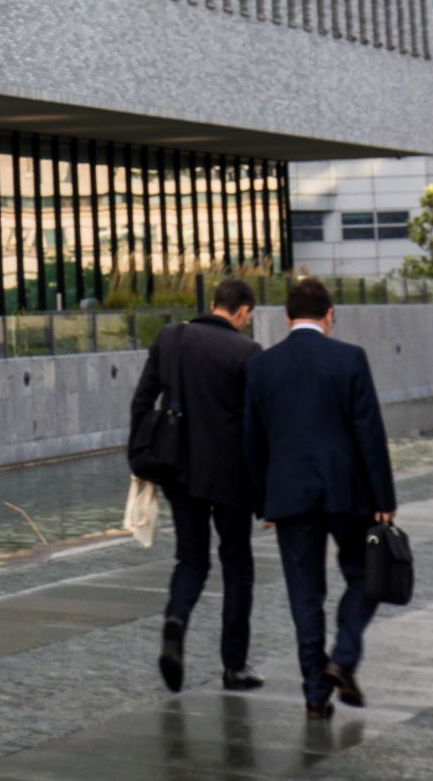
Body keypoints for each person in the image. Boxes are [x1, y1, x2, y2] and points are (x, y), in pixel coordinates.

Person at [243, 277, 396, 720]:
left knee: (304, 595)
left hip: (289, 495)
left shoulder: (262, 366)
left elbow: (252, 441)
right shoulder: (350, 358)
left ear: (287, 317)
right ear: (329, 314)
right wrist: (384, 497)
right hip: (348, 492)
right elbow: (370, 432)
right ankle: (342, 658)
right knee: (365, 575)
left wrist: (264, 503)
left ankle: (314, 693)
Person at [131, 277, 265, 693]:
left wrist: (140, 463)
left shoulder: (171, 338)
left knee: (191, 560)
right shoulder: (248, 352)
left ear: (212, 303)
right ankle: (234, 667)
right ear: (242, 312)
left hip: (179, 471)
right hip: (231, 478)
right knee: (237, 566)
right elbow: (256, 426)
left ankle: (175, 621)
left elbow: (142, 400)